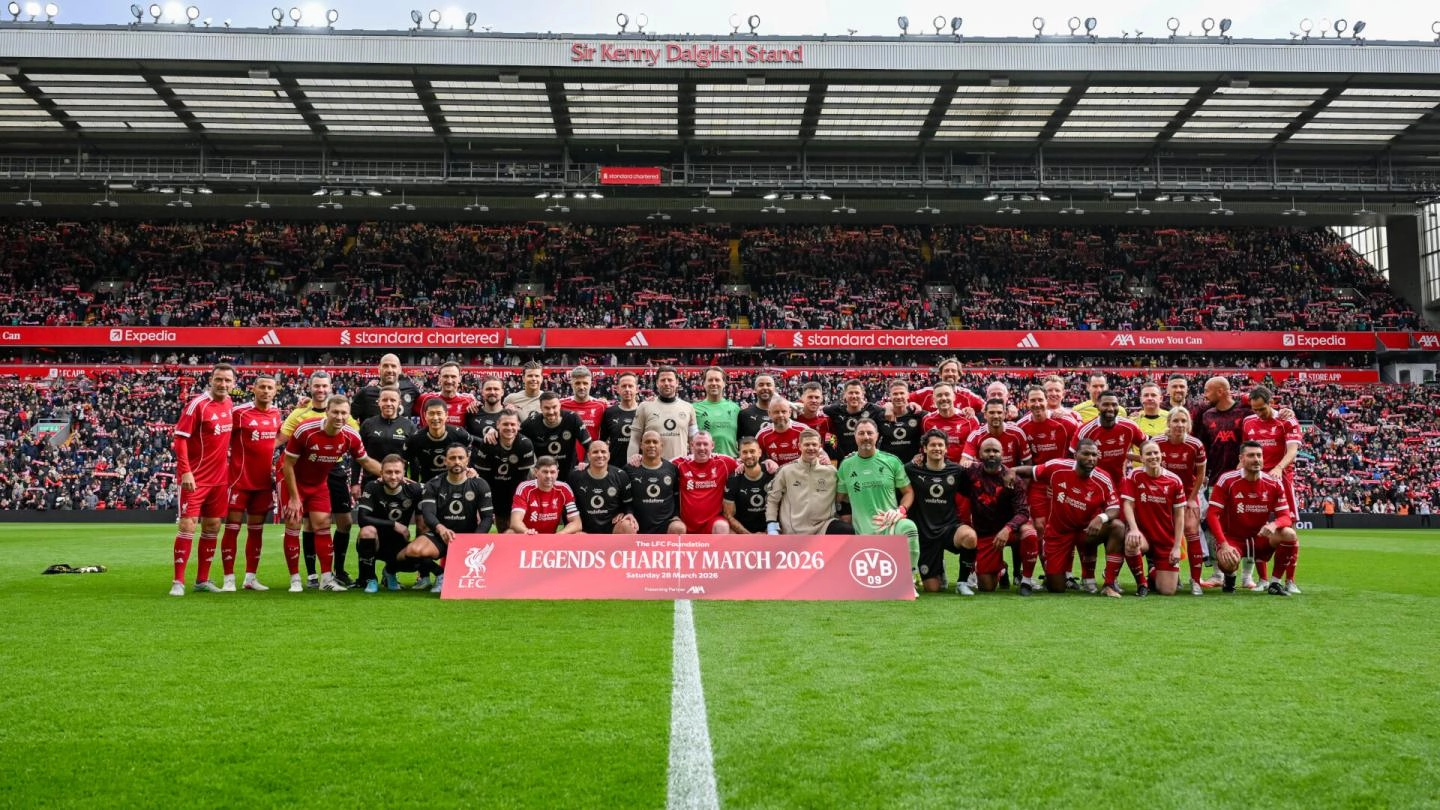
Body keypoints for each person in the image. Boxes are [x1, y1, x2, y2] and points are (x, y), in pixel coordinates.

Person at [281, 395, 382, 592]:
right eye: (335, 412)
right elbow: (287, 463)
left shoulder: (350, 436)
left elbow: (366, 462)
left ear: (349, 414)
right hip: (292, 479)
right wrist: (294, 497)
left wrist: (392, 475)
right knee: (293, 523)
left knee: (323, 524)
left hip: (318, 484)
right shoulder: (306, 429)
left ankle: (326, 579)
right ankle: (295, 579)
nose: (339, 416)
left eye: (344, 413)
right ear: (327, 411)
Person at [278, 370, 358, 588]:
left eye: (325, 386)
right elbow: (280, 441)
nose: (321, 390)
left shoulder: (343, 413)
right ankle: (310, 575)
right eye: (317, 386)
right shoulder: (299, 414)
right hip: (303, 470)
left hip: (334, 468)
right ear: (310, 387)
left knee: (339, 522)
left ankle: (334, 573)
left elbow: (355, 440)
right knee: (304, 524)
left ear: (330, 387)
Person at [1014, 438, 1123, 594]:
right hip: (1058, 533)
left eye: (1094, 455)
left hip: (1086, 532)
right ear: (1076, 455)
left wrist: (1101, 518)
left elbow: (1114, 508)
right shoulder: (1057, 467)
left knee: (1118, 527)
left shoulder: (1103, 479)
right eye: (1086, 454)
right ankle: (1057, 574)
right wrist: (1011, 471)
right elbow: (1030, 471)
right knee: (1056, 588)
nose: (1090, 458)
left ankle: (1109, 583)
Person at [169, 363, 236, 596]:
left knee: (213, 526)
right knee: (188, 525)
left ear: (234, 384)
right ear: (211, 380)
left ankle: (202, 580)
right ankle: (178, 582)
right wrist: (185, 471)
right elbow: (180, 438)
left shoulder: (229, 404)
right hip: (195, 478)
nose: (223, 384)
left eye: (228, 381)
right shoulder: (197, 405)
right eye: (219, 379)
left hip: (220, 479)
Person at [1206, 441, 1299, 597]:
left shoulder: (1274, 483)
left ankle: (1275, 583)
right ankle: (1230, 578)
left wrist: (1274, 525)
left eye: (1259, 455)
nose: (1256, 459)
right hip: (1233, 539)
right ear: (1241, 459)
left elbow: (1285, 517)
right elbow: (1212, 514)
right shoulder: (1227, 480)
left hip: (1260, 538)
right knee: (1226, 561)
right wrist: (1223, 544)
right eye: (1251, 456)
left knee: (1289, 534)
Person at [400, 443, 495, 593]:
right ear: (445, 461)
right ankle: (440, 575)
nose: (456, 461)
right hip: (441, 535)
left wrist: (475, 539)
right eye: (452, 458)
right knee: (412, 551)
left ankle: (456, 575)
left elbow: (487, 517)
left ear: (467, 460)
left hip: (468, 537)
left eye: (460, 458)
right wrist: (441, 528)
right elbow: (428, 514)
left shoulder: (479, 484)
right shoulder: (434, 484)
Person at [836, 419, 920, 587]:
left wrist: (900, 511)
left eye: (869, 433)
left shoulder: (892, 461)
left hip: (890, 523)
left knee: (909, 527)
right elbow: (840, 498)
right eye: (861, 433)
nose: (865, 437)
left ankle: (909, 578)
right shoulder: (846, 465)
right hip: (862, 528)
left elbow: (908, 492)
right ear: (855, 437)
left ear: (877, 436)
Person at [219, 373, 281, 592]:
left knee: (256, 531)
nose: (265, 391)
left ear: (275, 391)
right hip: (238, 480)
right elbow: (221, 437)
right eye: (262, 387)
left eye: (270, 388)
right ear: (253, 389)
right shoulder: (239, 413)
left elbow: (283, 436)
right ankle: (228, 579)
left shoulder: (276, 413)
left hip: (263, 483)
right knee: (232, 529)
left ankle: (250, 578)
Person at [955, 437, 1036, 595]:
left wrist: (1007, 529)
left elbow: (1023, 512)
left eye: (995, 451)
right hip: (986, 533)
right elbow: (945, 468)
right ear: (980, 454)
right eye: (987, 451)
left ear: (1002, 454)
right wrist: (921, 457)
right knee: (987, 587)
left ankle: (1026, 581)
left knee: (1030, 534)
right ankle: (1001, 569)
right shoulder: (970, 472)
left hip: (1011, 530)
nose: (992, 454)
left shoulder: (1013, 478)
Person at [352, 386, 416, 588]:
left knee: (397, 532)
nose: (389, 403)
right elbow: (357, 456)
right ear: (378, 402)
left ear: (400, 404)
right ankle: (366, 577)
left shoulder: (408, 426)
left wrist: (412, 481)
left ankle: (391, 574)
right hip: (372, 485)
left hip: (399, 486)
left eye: (393, 400)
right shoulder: (368, 424)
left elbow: (413, 459)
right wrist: (355, 481)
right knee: (369, 530)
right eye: (385, 400)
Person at [1242, 385, 1303, 593]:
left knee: (1289, 530)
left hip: (1281, 479)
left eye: (1261, 409)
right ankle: (1263, 580)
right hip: (1256, 480)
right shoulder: (1248, 422)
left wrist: (1278, 468)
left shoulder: (1286, 420)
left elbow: (1293, 450)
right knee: (1257, 527)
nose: (1258, 413)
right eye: (1254, 409)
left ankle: (1290, 580)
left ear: (1271, 403)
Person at [905, 429, 971, 593]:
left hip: (949, 528)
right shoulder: (911, 469)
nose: (937, 448)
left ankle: (963, 582)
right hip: (925, 533)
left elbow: (974, 489)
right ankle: (939, 566)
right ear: (925, 449)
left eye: (940, 445)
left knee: (970, 537)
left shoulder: (956, 471)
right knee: (932, 588)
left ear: (946, 448)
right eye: (932, 445)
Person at [1121, 441, 1187, 596]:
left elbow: (1179, 516)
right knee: (1132, 543)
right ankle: (1141, 584)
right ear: (1142, 458)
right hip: (1144, 535)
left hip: (1165, 538)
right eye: (1148, 454)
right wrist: (1134, 529)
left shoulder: (1174, 480)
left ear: (1161, 455)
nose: (1153, 456)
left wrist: (1177, 547)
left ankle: (1152, 570)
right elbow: (1128, 505)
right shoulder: (1135, 476)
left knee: (1168, 591)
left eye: (1156, 453)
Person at [354, 454, 425, 593]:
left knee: (418, 558)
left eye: (397, 472)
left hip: (399, 544)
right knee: (367, 531)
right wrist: (394, 524)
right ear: (381, 473)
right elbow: (362, 519)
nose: (393, 477)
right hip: (375, 542)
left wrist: (469, 474)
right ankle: (371, 579)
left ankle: (390, 572)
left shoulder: (415, 489)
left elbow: (442, 483)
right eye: (388, 472)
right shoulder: (372, 487)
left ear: (404, 473)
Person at [1158, 407, 1209, 595]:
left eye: (1183, 421)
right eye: (1176, 421)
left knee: (1191, 530)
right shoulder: (1157, 442)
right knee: (1164, 535)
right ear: (1169, 423)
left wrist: (1192, 499)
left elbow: (1201, 474)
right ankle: (1171, 575)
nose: (1179, 425)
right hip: (1162, 497)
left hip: (1187, 495)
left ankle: (1195, 580)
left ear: (1188, 424)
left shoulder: (1195, 445)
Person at [1016, 385, 1077, 541]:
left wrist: (1065, 482)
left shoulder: (1066, 423)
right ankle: (1047, 564)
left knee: (1064, 527)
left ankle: (1062, 564)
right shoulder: (1021, 427)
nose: (1037, 404)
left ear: (1046, 401)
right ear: (1027, 403)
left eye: (1040, 400)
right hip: (1037, 481)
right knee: (1040, 526)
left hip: (1063, 481)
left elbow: (1077, 454)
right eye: (1033, 400)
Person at [765, 429, 852, 535]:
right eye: (807, 444)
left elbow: (843, 496)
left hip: (823, 526)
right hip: (794, 530)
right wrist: (772, 525)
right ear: (799, 446)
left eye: (814, 444)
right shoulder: (786, 470)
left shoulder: (831, 471)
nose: (811, 448)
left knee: (846, 530)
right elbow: (772, 499)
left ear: (820, 446)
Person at [472, 410, 536, 534]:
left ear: (518, 426)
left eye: (513, 424)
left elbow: (524, 479)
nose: (509, 428)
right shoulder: (489, 443)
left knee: (518, 530)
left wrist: (520, 502)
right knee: (503, 530)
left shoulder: (525, 444)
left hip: (516, 490)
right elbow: (483, 478)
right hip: (495, 490)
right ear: (497, 425)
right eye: (505, 424)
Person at [1071, 392, 1146, 484]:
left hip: (1119, 482)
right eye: (1106, 404)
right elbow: (1072, 458)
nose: (1110, 408)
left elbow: (1147, 447)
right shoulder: (1085, 430)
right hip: (1092, 483)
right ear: (1097, 406)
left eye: (1114, 405)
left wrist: (1127, 455)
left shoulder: (1130, 427)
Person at [675, 431, 740, 534]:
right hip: (686, 523)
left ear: (712, 445)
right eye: (698, 444)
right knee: (676, 527)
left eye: (705, 444)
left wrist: (767, 463)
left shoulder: (724, 463)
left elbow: (747, 465)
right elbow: (659, 465)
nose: (702, 448)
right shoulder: (680, 464)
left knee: (722, 526)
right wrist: (640, 458)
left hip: (712, 522)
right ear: (691, 445)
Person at [626, 366, 696, 462]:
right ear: (657, 383)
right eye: (663, 380)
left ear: (677, 382)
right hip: (652, 468)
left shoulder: (688, 408)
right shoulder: (644, 407)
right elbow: (634, 439)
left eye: (670, 380)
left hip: (680, 468)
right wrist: (631, 462)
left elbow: (693, 441)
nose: (666, 383)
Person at [567, 440, 638, 534]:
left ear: (609, 455)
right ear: (588, 455)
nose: (600, 455)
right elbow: (568, 506)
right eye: (595, 452)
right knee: (576, 535)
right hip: (585, 531)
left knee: (629, 525)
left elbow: (628, 503)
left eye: (603, 451)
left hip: (612, 528)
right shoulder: (575, 476)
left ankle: (622, 548)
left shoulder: (621, 475)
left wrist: (627, 513)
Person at [626, 430, 686, 534]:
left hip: (665, 524)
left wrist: (676, 515)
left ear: (661, 445)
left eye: (655, 442)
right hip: (636, 523)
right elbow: (624, 497)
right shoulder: (630, 469)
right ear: (641, 445)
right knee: (625, 526)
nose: (651, 445)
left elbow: (676, 496)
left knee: (678, 528)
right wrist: (628, 513)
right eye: (647, 442)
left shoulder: (672, 469)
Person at [406, 399, 476, 484]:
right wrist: (414, 483)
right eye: (431, 413)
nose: (435, 418)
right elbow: (407, 460)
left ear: (446, 415)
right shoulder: (416, 439)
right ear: (425, 415)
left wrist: (471, 469)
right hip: (429, 485)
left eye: (439, 413)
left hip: (456, 484)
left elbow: (471, 453)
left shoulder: (460, 435)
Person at [522, 391, 591, 472]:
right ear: (540, 407)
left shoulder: (572, 418)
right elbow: (518, 443)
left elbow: (590, 446)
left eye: (554, 407)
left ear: (560, 405)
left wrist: (586, 463)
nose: (551, 412)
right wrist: (530, 469)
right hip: (545, 475)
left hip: (570, 472)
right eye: (547, 408)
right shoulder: (530, 423)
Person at [511, 456, 582, 534]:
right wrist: (526, 531)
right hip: (528, 535)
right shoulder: (524, 488)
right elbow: (515, 522)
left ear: (557, 473)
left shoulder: (564, 489)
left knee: (580, 534)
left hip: (552, 537)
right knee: (509, 533)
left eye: (552, 472)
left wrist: (560, 534)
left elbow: (577, 523)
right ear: (535, 472)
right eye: (545, 472)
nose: (549, 476)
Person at [351, 354, 421, 424]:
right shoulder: (365, 393)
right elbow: (349, 418)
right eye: (385, 366)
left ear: (400, 370)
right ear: (379, 369)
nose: (390, 370)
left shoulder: (411, 389)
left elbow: (424, 412)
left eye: (393, 366)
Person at [824, 379, 887, 459]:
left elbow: (888, 411)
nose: (854, 396)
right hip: (843, 461)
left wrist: (889, 406)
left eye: (857, 393)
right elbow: (819, 409)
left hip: (868, 459)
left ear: (862, 394)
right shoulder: (834, 410)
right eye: (850, 393)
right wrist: (833, 450)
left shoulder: (874, 410)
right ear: (844, 395)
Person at [723, 437, 773, 534]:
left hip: (770, 529)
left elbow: (782, 508)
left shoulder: (771, 473)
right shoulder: (733, 479)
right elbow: (728, 515)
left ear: (759, 452)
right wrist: (749, 536)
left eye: (752, 451)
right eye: (745, 452)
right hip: (743, 531)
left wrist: (769, 531)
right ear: (740, 454)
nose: (749, 455)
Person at [961, 398, 1030, 468]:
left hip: (1010, 477)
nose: (996, 416)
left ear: (1005, 414)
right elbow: (964, 462)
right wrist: (968, 464)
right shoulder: (976, 435)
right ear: (985, 415)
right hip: (985, 477)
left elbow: (1028, 464)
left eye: (999, 412)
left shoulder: (1017, 433)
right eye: (991, 412)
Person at [921, 383, 980, 464]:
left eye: (947, 394)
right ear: (933, 400)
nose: (944, 398)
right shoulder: (927, 420)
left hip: (962, 469)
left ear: (954, 397)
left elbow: (977, 447)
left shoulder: (969, 419)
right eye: (939, 395)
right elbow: (924, 446)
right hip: (937, 469)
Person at [560, 366, 608, 460]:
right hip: (567, 460)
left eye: (585, 383)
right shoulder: (560, 405)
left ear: (591, 384)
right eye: (577, 383)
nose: (582, 387)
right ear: (571, 384)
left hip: (592, 461)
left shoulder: (601, 406)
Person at [693, 366, 741, 457]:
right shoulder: (693, 409)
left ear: (724, 383)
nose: (714, 383)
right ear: (704, 384)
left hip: (731, 463)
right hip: (705, 463)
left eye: (717, 380)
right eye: (710, 380)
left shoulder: (735, 408)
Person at [910, 357, 985, 414]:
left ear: (959, 375)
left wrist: (975, 415)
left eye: (953, 371)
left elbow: (988, 407)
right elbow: (902, 399)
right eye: (946, 371)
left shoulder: (968, 395)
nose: (950, 373)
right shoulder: (925, 393)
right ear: (940, 374)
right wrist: (911, 404)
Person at [879, 379, 927, 464]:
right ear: (889, 396)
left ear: (908, 395)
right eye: (895, 394)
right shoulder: (881, 416)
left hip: (913, 465)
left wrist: (922, 453)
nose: (898, 397)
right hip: (888, 465)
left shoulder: (918, 414)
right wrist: (887, 406)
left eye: (902, 393)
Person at [415, 361, 476, 427]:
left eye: (453, 376)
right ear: (439, 378)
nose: (449, 381)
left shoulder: (470, 401)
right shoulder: (424, 399)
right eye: (445, 376)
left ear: (459, 379)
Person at [756, 397, 805, 465]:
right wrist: (766, 462)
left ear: (790, 412)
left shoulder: (803, 430)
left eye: (783, 411)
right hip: (775, 474)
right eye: (776, 412)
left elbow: (818, 451)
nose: (780, 415)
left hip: (800, 473)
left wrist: (824, 457)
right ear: (769, 413)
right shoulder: (762, 435)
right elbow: (756, 458)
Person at [599, 372, 640, 449]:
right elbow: (602, 441)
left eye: (630, 386)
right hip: (615, 460)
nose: (627, 389)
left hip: (640, 461)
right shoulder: (609, 412)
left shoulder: (644, 411)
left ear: (637, 389)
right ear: (617, 389)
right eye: (624, 386)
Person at [792, 382, 834, 450]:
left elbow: (833, 443)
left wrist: (831, 454)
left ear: (821, 399)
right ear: (802, 398)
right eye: (810, 397)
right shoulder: (793, 417)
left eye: (817, 397)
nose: (814, 400)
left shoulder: (826, 420)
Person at [465, 376, 509, 441]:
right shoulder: (472, 412)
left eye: (496, 389)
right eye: (488, 389)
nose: (492, 392)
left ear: (502, 392)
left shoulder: (509, 415)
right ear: (482, 392)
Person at [738, 373, 777, 440]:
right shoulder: (744, 414)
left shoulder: (783, 413)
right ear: (755, 389)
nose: (765, 387)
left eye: (768, 385)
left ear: (774, 388)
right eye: (761, 385)